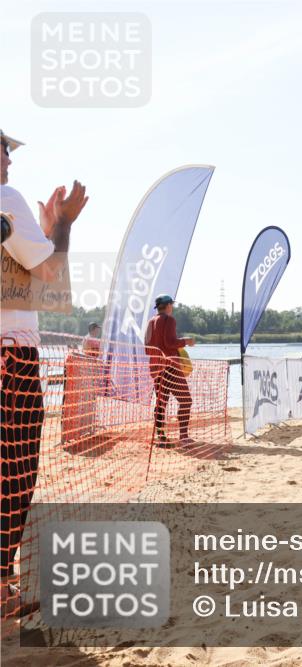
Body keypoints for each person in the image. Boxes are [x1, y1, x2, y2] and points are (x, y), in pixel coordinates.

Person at [1, 130, 88, 617]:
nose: (10, 159)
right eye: (5, 149)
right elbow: (51, 277)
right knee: (15, 473)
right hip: (12, 357)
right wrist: (63, 224)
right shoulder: (6, 198)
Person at [145, 294, 195, 448]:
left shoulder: (150, 322)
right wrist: (186, 341)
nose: (172, 307)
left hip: (155, 368)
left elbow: (147, 349)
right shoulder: (169, 320)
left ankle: (160, 437)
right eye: (171, 305)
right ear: (167, 306)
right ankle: (184, 436)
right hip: (170, 367)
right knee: (186, 400)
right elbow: (169, 342)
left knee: (161, 402)